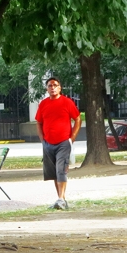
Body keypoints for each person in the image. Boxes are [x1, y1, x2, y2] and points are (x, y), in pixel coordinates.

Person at [34, 77, 81, 210]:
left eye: (55, 85)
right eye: (50, 86)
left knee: (61, 170)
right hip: (48, 143)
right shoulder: (43, 104)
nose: (52, 87)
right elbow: (39, 122)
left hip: (63, 143)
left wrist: (71, 138)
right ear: (47, 88)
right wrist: (42, 139)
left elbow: (77, 119)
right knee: (54, 172)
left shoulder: (67, 102)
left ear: (60, 88)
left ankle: (60, 199)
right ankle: (61, 199)